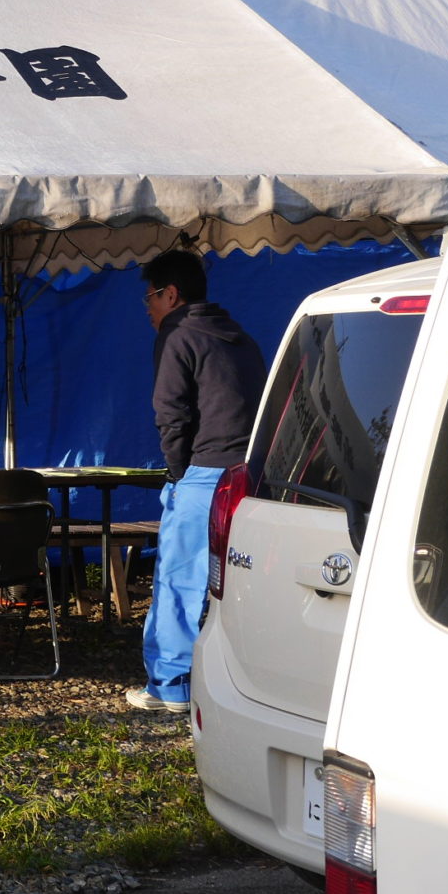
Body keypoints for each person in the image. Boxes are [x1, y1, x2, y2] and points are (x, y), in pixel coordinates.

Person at [128, 249, 266, 712]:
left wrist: (178, 471)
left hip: (204, 472)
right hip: (250, 474)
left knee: (178, 580)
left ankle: (169, 687)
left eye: (149, 298)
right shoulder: (239, 337)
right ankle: (245, 682)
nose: (146, 308)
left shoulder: (177, 334)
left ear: (171, 294)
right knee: (241, 583)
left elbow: (170, 412)